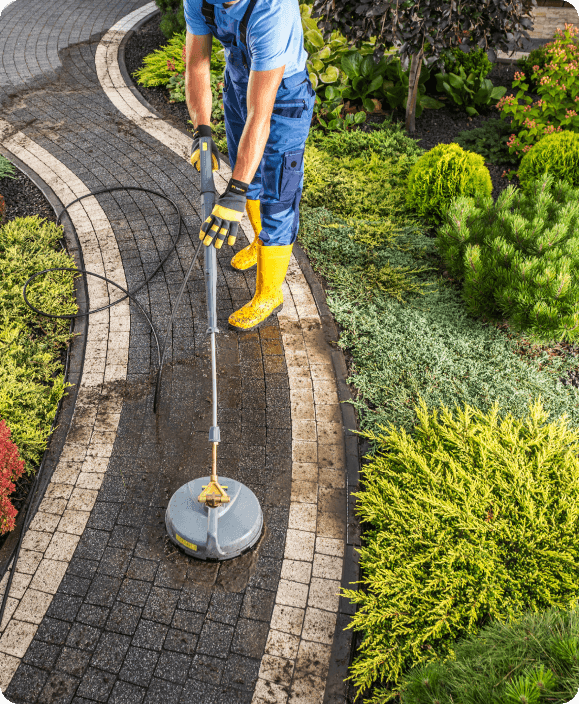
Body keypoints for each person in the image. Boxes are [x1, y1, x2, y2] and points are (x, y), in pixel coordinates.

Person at [184, 0, 315, 330]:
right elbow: (197, 66)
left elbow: (262, 114)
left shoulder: (272, 9)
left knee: (277, 198)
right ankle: (259, 243)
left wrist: (234, 192)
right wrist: (202, 129)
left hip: (284, 97)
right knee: (247, 174)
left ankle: (270, 295)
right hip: (239, 84)